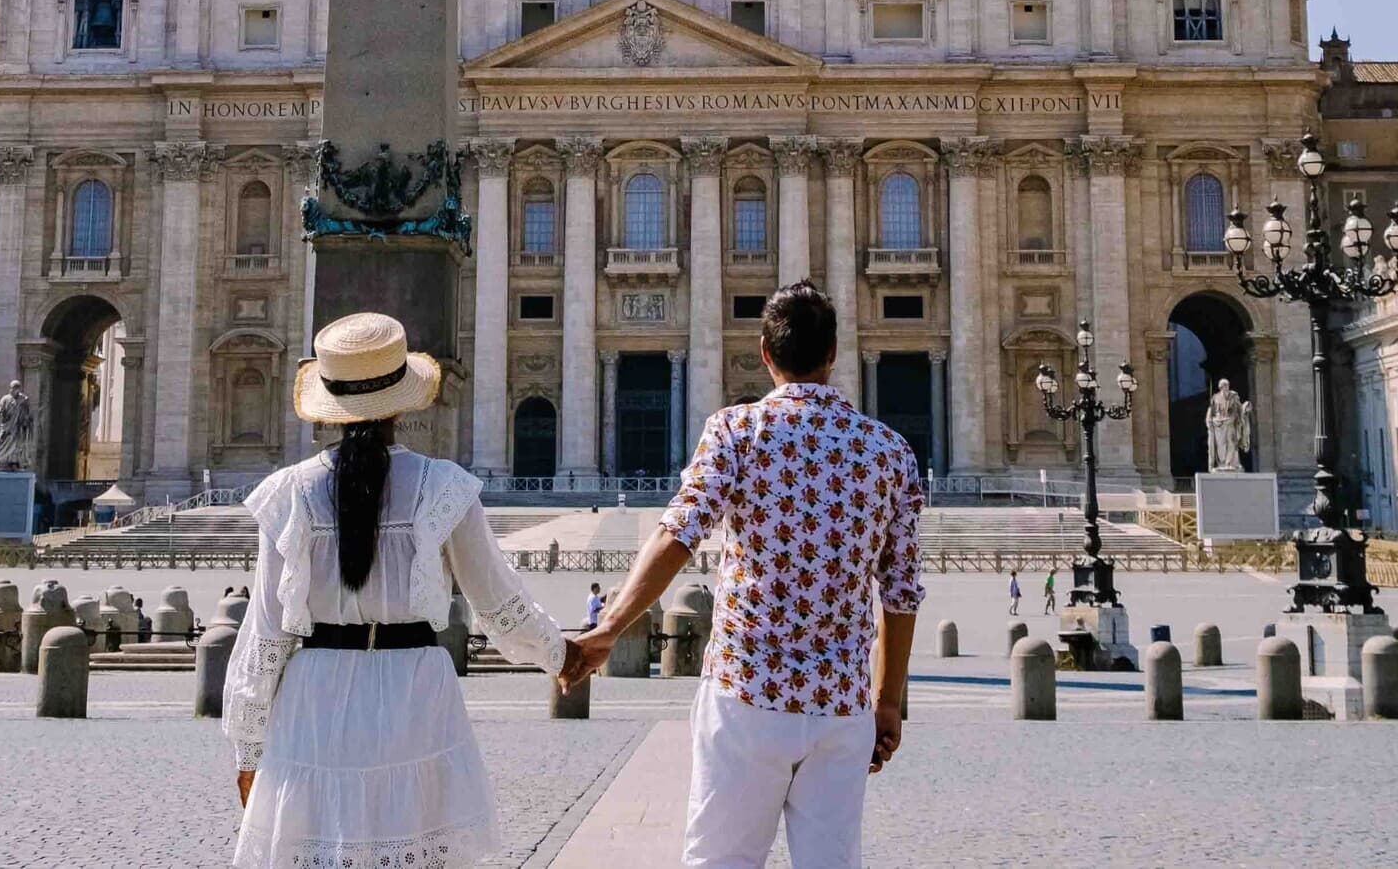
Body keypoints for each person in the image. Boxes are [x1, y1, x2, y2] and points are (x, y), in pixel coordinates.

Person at [566, 282, 924, 869]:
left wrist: (610, 626)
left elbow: (678, 534)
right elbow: (902, 590)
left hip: (746, 691)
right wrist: (887, 701)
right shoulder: (890, 452)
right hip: (841, 705)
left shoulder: (737, 431)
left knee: (721, 860)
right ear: (834, 353)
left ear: (764, 353)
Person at [224, 312, 577, 868]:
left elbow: (266, 634)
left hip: (315, 693)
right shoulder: (444, 487)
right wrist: (563, 654)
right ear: (402, 403)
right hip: (414, 689)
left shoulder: (288, 493)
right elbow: (497, 603)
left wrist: (249, 748)